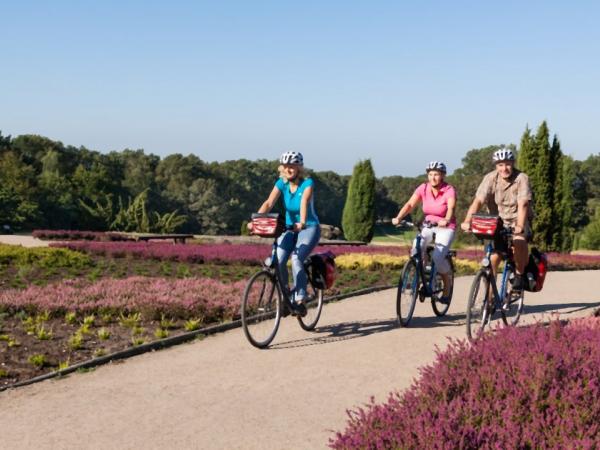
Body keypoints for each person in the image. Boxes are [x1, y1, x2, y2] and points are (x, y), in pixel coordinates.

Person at [250, 151, 320, 315]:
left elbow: (303, 202)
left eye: (292, 166)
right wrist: (257, 221)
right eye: (286, 166)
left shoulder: (307, 183)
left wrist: (301, 222)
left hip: (308, 227)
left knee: (296, 259)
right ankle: (286, 295)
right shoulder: (281, 183)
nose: (289, 169)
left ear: (299, 168)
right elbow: (269, 203)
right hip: (288, 227)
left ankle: (300, 299)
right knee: (278, 259)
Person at [460, 147, 532, 291]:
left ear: (513, 163)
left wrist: (519, 226)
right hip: (496, 223)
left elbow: (523, 204)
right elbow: (478, 201)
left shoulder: (521, 178)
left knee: (518, 241)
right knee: (493, 259)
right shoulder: (490, 178)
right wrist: (467, 221)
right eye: (500, 165)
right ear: (496, 166)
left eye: (507, 164)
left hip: (517, 220)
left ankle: (519, 274)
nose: (504, 168)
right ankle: (489, 299)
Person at [392, 161, 456, 303]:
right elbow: (410, 204)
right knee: (416, 249)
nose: (433, 178)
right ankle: (421, 278)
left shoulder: (449, 190)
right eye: (430, 174)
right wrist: (398, 217)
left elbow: (451, 207)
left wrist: (446, 219)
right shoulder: (423, 188)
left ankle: (447, 285)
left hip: (446, 227)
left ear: (443, 176)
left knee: (438, 259)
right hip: (428, 225)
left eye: (437, 174)